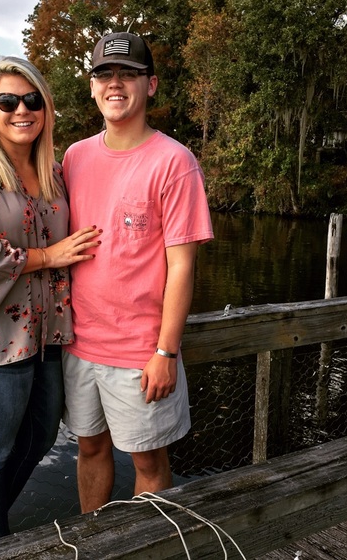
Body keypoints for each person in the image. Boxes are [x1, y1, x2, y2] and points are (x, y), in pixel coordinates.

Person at [0, 56, 101, 548]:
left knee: (41, 436)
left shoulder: (53, 171)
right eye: (7, 101)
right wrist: (48, 256)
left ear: (46, 108)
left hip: (49, 332)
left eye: (31, 100)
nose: (21, 110)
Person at [62, 32, 214, 513]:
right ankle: (93, 538)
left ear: (151, 85)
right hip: (78, 343)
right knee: (90, 448)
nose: (115, 83)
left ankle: (148, 543)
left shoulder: (175, 162)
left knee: (148, 461)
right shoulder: (74, 157)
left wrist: (166, 351)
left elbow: (182, 266)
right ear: (92, 87)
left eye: (128, 74)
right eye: (105, 74)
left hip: (139, 353)